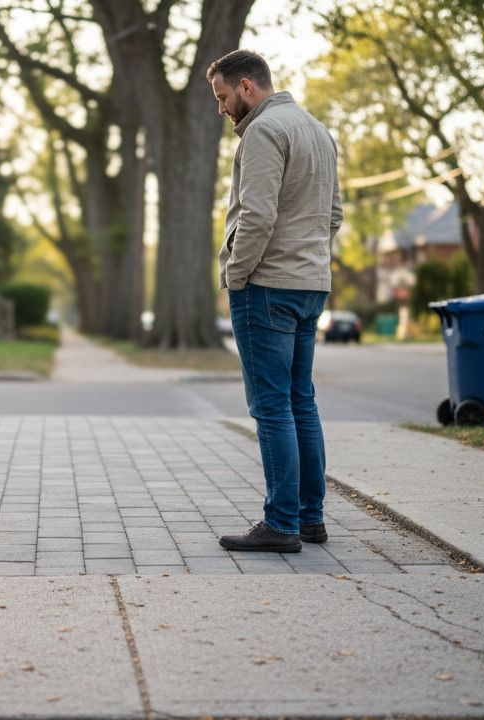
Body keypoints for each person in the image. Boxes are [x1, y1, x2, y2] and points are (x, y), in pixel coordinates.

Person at [207, 49, 343, 554]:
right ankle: (310, 518)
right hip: (310, 284)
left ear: (247, 86)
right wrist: (308, 257)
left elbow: (258, 217)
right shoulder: (316, 129)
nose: (221, 109)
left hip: (266, 286)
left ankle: (282, 522)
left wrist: (236, 275)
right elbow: (333, 214)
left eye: (223, 97)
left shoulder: (264, 131)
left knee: (272, 406)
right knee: (300, 402)